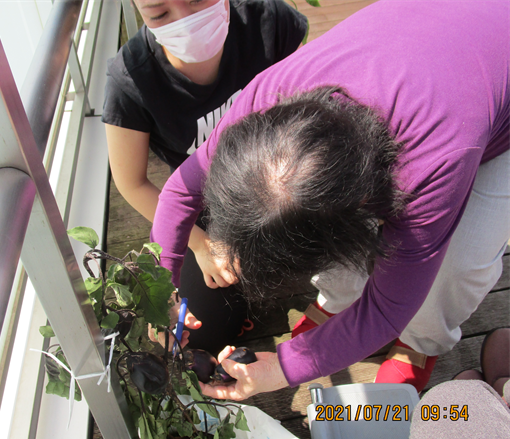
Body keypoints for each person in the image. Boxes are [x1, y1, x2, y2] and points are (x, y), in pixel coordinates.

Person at [150, 0, 510, 398]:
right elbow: (182, 190)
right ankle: (339, 300)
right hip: (427, 29)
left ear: (360, 216)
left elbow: (388, 308)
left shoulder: (431, 165)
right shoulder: (264, 105)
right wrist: (160, 294)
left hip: (489, 87)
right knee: (313, 227)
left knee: (461, 262)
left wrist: (284, 368)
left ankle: (420, 345)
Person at [102, 0, 308, 354]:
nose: (188, 20)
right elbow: (131, 182)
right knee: (200, 333)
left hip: (276, 173)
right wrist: (199, 244)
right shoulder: (130, 80)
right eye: (159, 13)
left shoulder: (268, 19)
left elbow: (309, 96)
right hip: (202, 201)